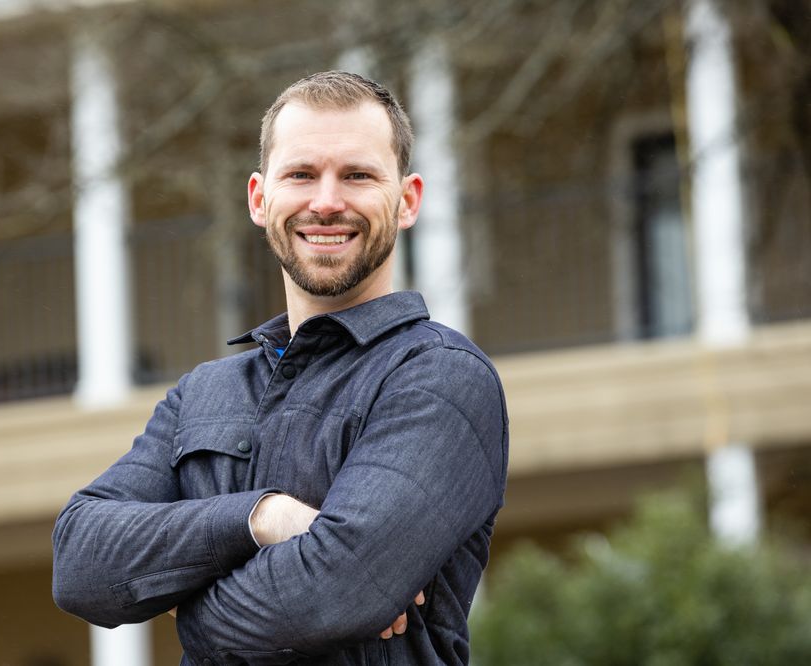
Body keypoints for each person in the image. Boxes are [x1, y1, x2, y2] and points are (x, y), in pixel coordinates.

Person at [52, 70, 509, 665]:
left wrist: (182, 599)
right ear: (259, 198)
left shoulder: (440, 378)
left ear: (408, 200)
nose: (325, 202)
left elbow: (335, 590)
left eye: (358, 175)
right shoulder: (203, 395)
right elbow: (80, 562)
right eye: (301, 174)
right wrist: (262, 518)